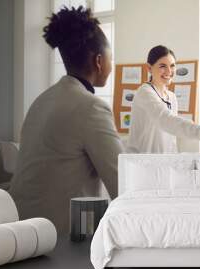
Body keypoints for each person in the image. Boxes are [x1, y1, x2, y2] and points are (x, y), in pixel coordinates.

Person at [10, 6, 124, 233]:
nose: (112, 66)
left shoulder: (43, 100)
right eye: (112, 59)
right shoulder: (90, 106)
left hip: (20, 228)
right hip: (59, 237)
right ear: (99, 61)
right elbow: (122, 183)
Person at [127, 45, 200, 153]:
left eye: (172, 65)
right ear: (149, 68)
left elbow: (172, 135)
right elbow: (166, 120)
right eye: (162, 66)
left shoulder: (171, 97)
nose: (169, 71)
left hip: (163, 163)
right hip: (140, 163)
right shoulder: (145, 92)